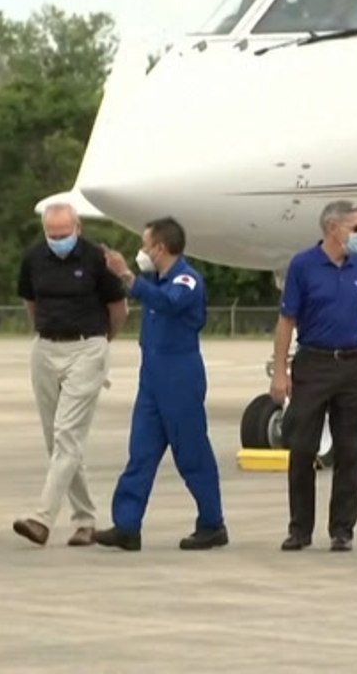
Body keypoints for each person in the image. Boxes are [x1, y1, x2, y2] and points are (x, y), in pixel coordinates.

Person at [94, 217, 227, 551]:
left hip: (180, 374)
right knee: (141, 451)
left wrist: (128, 275)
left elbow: (170, 302)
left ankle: (212, 523)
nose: (142, 251)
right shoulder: (157, 280)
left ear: (160, 248)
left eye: (145, 244)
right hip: (152, 375)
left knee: (191, 451)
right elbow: (154, 295)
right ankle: (127, 525)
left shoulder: (186, 279)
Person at [271, 200, 357, 552]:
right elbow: (286, 320)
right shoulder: (303, 266)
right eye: (355, 228)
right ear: (332, 228)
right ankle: (300, 528)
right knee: (303, 447)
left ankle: (342, 529)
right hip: (314, 363)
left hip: (354, 366)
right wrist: (280, 370)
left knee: (351, 450)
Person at [11, 203, 128, 547]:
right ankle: (85, 520)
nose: (58, 240)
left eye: (64, 234)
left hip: (87, 346)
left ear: (77, 228)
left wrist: (103, 343)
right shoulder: (33, 258)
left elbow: (118, 308)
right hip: (47, 347)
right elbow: (29, 302)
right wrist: (43, 332)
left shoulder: (96, 259)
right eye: (52, 235)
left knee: (67, 433)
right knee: (58, 440)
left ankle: (42, 518)